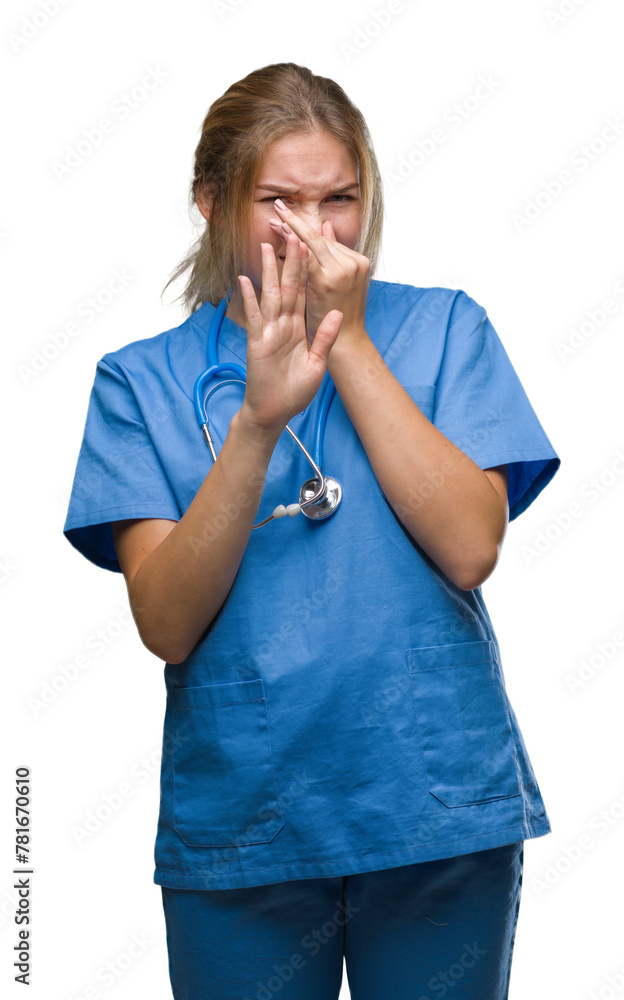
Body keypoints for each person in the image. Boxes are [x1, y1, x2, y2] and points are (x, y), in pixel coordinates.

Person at [63, 62, 561, 1000]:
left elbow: (470, 546)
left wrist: (353, 339)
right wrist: (255, 424)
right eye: (279, 200)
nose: (315, 230)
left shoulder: (446, 332)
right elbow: (166, 624)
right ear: (210, 202)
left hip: (434, 811)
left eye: (341, 199)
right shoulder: (141, 384)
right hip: (245, 825)